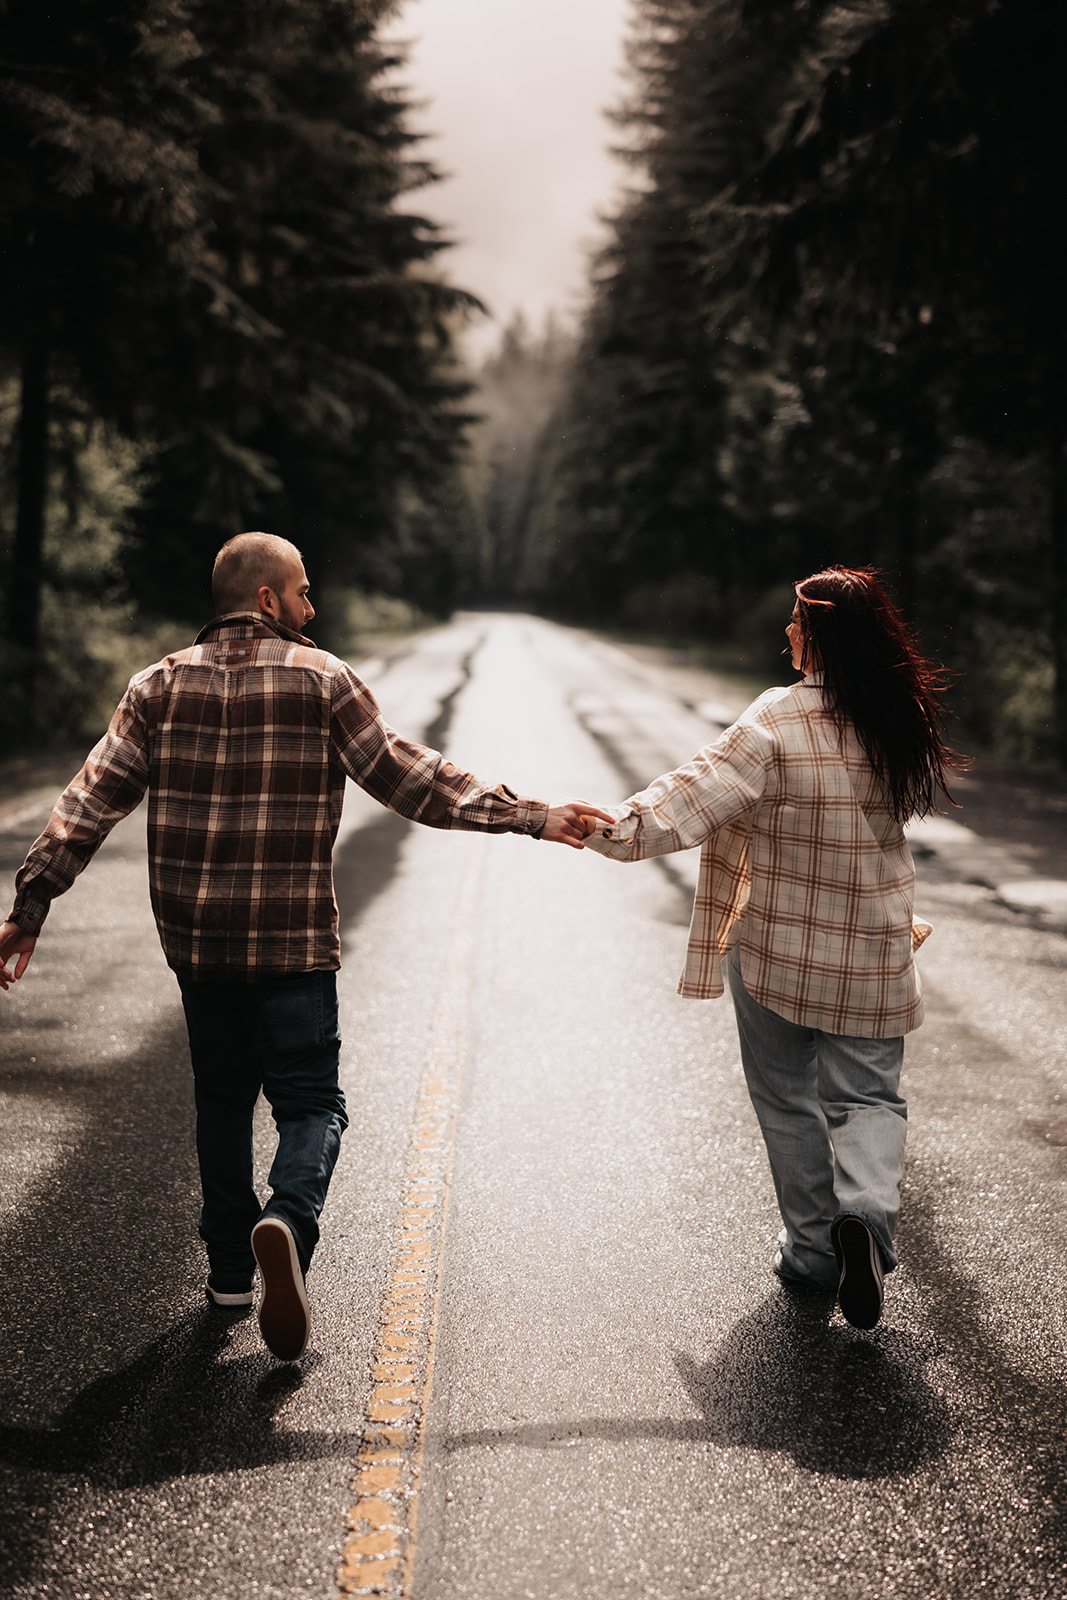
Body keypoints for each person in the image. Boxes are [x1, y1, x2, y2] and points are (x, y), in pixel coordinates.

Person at [0, 532, 611, 1361]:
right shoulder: (322, 679)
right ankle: (284, 1219)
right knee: (312, 1104)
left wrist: (30, 903)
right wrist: (530, 815)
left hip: (200, 949)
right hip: (291, 945)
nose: (311, 608)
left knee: (220, 1101)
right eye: (303, 593)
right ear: (266, 600)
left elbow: (89, 799)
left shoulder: (156, 685)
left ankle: (226, 1271)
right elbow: (409, 778)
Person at [582, 567, 961, 1329]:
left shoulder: (774, 722)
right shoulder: (897, 712)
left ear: (815, 632)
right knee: (868, 1099)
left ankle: (815, 1253)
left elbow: (687, 801)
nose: (784, 631)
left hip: (776, 952)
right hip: (872, 950)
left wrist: (599, 826)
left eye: (794, 620)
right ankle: (863, 1217)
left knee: (788, 1100)